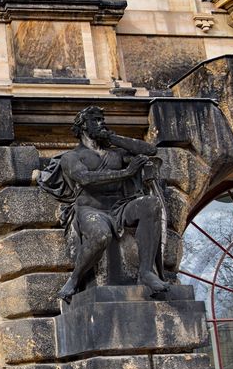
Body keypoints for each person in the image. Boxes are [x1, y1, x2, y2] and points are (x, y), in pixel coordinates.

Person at [38, 106, 169, 304]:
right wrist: (126, 173)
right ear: (82, 126)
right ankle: (74, 279)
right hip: (91, 210)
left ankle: (146, 272)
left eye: (102, 120)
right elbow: (85, 179)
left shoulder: (116, 153)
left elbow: (150, 150)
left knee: (150, 204)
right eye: (95, 120)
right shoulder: (71, 157)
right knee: (100, 236)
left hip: (120, 206)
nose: (101, 123)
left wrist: (113, 138)